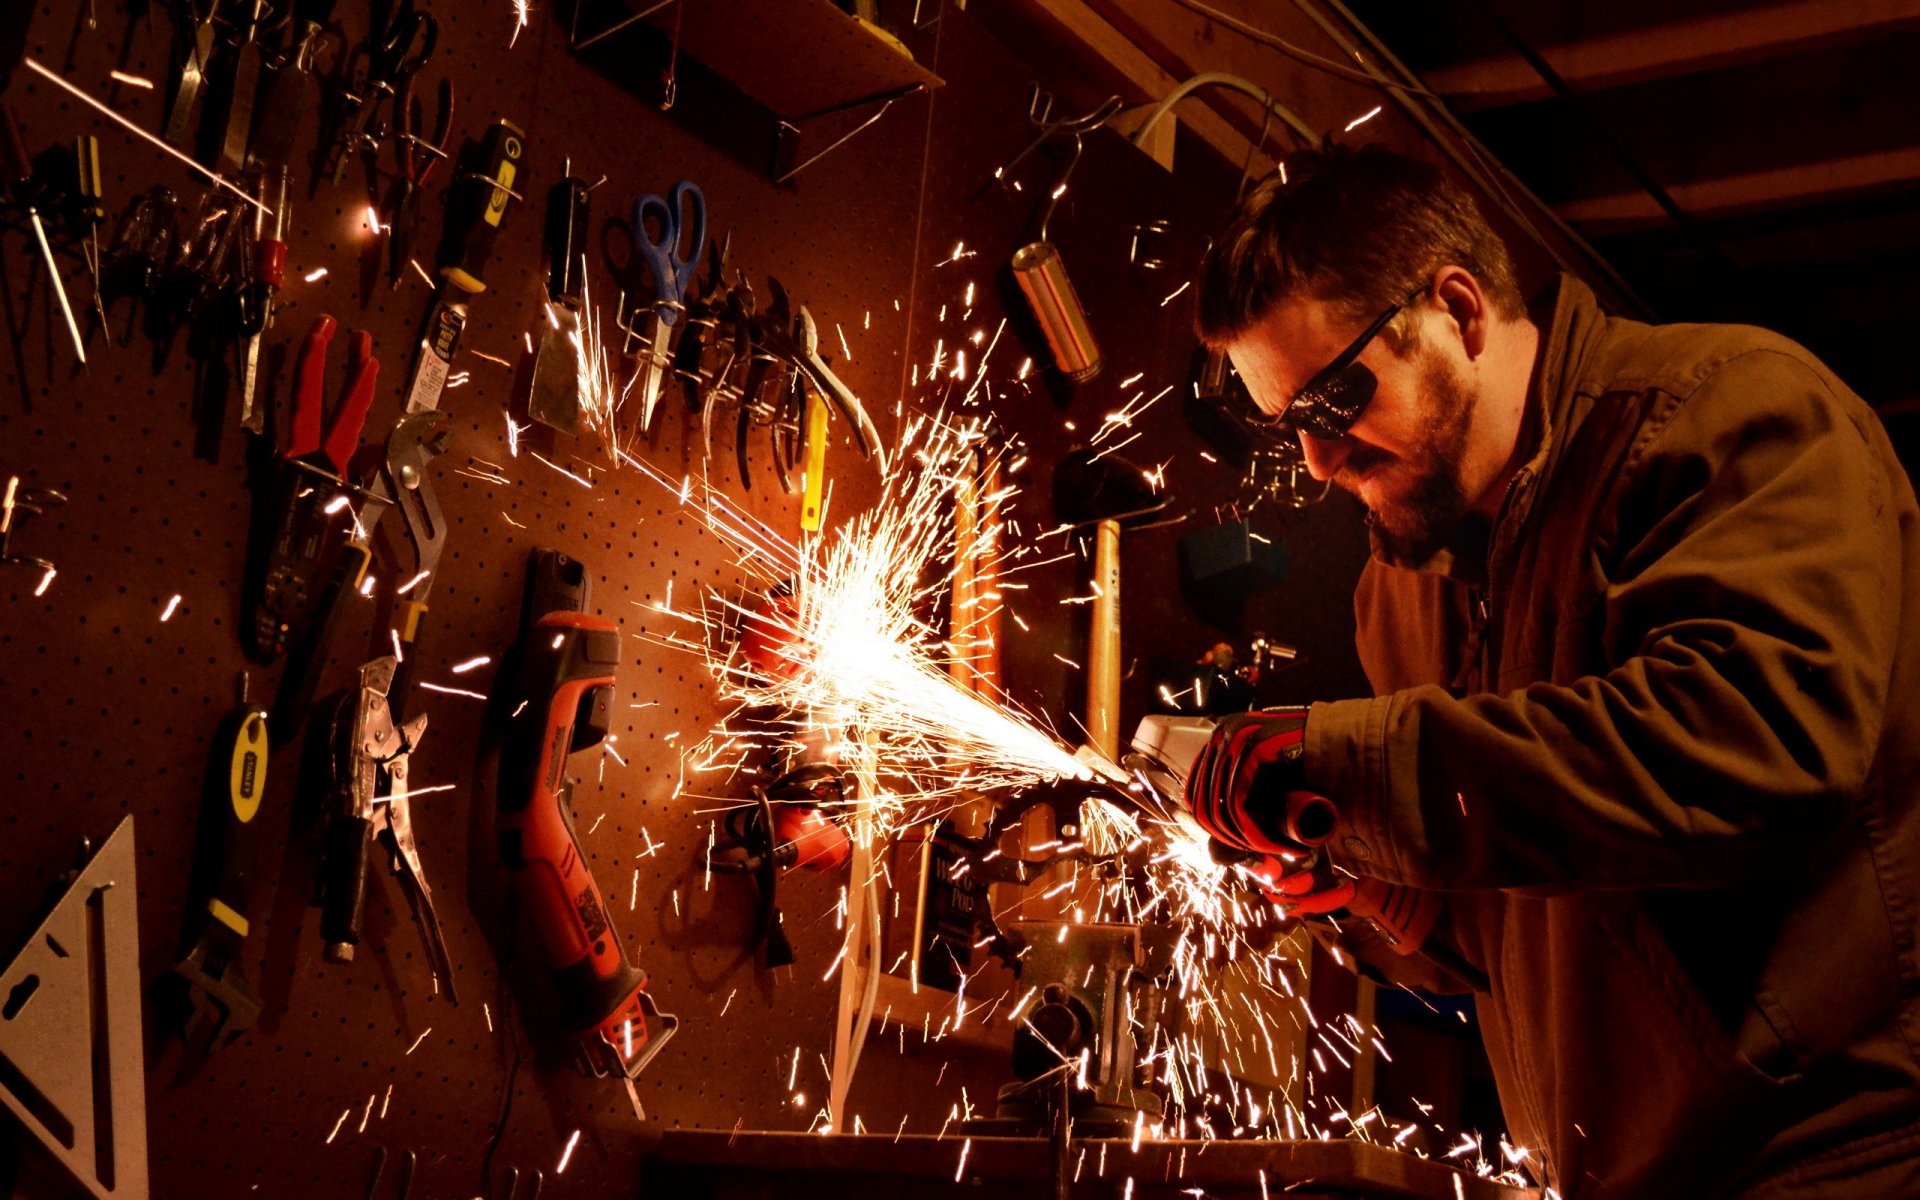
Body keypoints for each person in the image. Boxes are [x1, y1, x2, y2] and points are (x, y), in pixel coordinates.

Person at [1181, 142, 1920, 1199]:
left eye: (1334, 404)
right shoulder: (1402, 588)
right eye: (1286, 427)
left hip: (1836, 1159)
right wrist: (1391, 893)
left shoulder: (1728, 414)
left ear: (1458, 311)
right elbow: (1543, 921)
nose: (1317, 460)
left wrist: (1361, 768)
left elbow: (1757, 750)